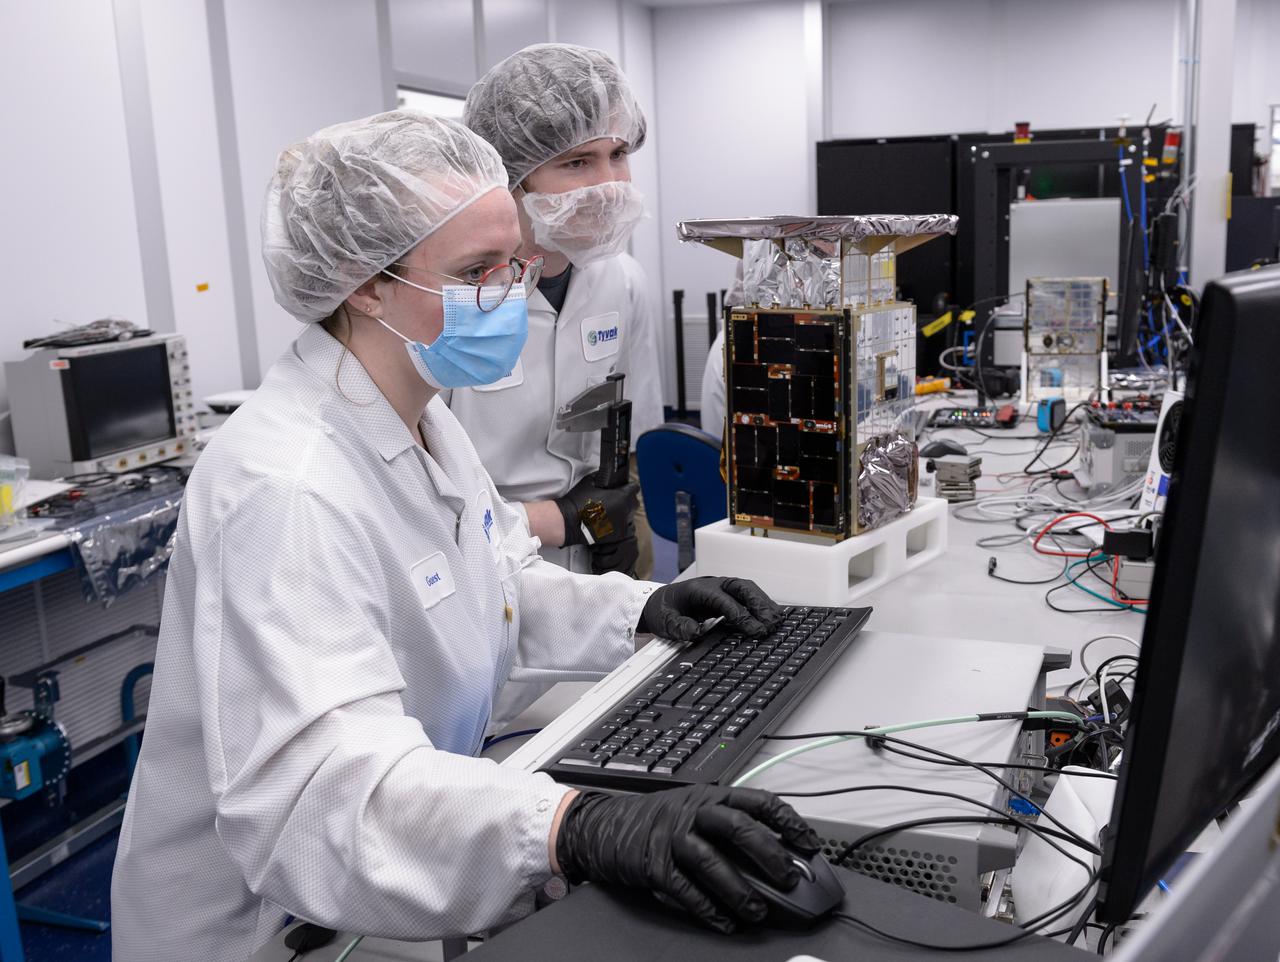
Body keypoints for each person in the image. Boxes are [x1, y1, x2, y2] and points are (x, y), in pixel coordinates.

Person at [109, 111, 819, 962]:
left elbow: (497, 584)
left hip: (389, 881)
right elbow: (327, 794)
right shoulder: (286, 489)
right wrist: (570, 825)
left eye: (515, 259)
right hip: (272, 928)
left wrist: (644, 611)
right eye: (479, 271)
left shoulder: (422, 420)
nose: (516, 292)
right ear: (362, 284)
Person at [452, 44, 665, 586]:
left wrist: (616, 530)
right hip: (481, 569)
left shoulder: (622, 281)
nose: (608, 185)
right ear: (510, 175)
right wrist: (563, 522)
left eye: (618, 154)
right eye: (576, 162)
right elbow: (416, 502)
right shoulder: (458, 299)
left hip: (596, 561)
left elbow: (632, 448)